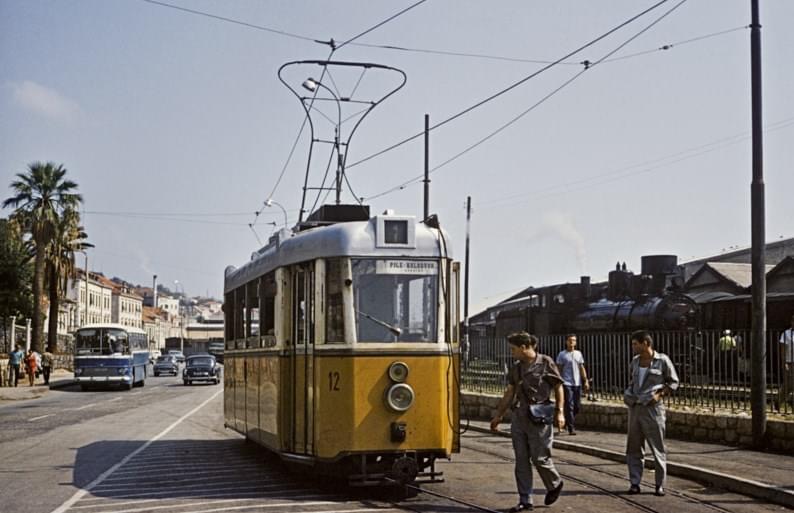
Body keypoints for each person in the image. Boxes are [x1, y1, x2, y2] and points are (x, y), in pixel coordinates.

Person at [490, 332, 565, 512]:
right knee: (521, 461)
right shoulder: (516, 368)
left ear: (524, 347)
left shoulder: (545, 362)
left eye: (513, 349)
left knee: (540, 458)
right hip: (520, 417)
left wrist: (560, 412)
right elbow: (510, 392)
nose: (512, 352)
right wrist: (498, 415)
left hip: (540, 417)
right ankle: (525, 499)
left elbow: (558, 387)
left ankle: (554, 484)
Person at [623, 330, 679, 497]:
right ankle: (635, 483)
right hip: (635, 408)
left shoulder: (662, 361)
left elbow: (674, 382)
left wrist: (660, 394)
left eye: (635, 344)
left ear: (645, 343)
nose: (633, 347)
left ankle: (659, 485)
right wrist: (628, 394)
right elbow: (632, 382)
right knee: (633, 448)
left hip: (653, 410)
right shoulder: (635, 361)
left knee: (657, 448)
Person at [555, 334, 589, 435]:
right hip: (566, 382)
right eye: (570, 340)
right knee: (569, 405)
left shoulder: (578, 354)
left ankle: (567, 420)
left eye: (574, 340)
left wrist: (585, 380)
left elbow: (581, 367)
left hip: (577, 382)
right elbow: (559, 369)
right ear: (566, 342)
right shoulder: (562, 355)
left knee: (577, 406)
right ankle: (571, 427)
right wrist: (558, 382)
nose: (572, 342)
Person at [780, 314, 794, 407]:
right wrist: (784, 362)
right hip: (789, 361)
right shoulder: (786, 333)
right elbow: (783, 349)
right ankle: (779, 401)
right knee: (788, 384)